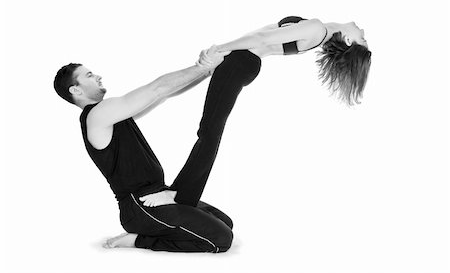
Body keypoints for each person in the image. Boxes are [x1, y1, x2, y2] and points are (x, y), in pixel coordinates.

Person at [54, 45, 262, 253]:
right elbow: (157, 88)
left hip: (161, 194)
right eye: (89, 75)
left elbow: (163, 95)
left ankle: (156, 230)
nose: (98, 76)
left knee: (225, 222)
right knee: (221, 239)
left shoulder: (112, 115)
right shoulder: (97, 116)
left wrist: (208, 71)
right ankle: (138, 240)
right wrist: (204, 66)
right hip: (141, 206)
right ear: (76, 90)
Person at [214, 16, 372, 106]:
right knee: (209, 131)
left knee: (209, 133)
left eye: (362, 38)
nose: (363, 30)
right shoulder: (320, 33)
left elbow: (262, 39)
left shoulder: (317, 30)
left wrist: (219, 48)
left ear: (349, 41)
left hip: (240, 61)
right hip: (242, 61)